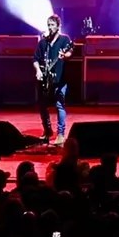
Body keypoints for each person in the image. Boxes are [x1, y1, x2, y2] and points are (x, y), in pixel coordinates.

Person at [34, 14, 73, 145]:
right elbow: (35, 59)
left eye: (52, 25)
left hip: (60, 78)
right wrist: (38, 71)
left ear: (58, 26)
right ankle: (47, 131)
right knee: (42, 106)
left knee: (59, 105)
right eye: (49, 25)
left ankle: (61, 134)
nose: (50, 28)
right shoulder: (43, 42)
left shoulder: (64, 40)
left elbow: (69, 52)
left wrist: (64, 55)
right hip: (45, 79)